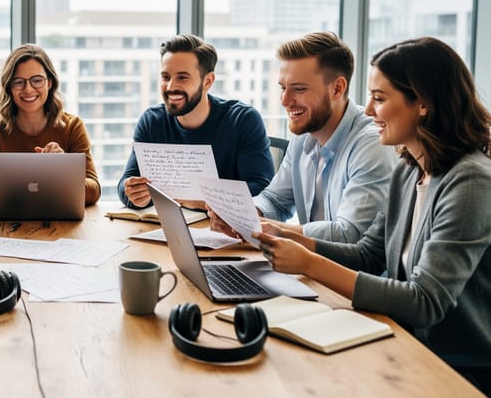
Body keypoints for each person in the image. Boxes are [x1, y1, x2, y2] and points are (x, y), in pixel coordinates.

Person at [254, 37, 491, 393]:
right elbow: (368, 253)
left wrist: (307, 263)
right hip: (402, 342)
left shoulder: (470, 180)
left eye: (379, 99)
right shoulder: (409, 169)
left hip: (455, 367)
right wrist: (288, 237)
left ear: (422, 103)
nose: (367, 111)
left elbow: (426, 302)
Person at [210, 32, 394, 242]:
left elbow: (350, 235)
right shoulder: (303, 135)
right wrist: (243, 215)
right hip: (308, 267)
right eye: (282, 88)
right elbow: (275, 200)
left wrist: (265, 229)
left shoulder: (372, 144)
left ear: (337, 88)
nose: (285, 100)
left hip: (347, 272)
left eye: (299, 89)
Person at [118, 34, 274, 209]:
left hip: (225, 229)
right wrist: (134, 194)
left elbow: (262, 189)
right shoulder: (151, 121)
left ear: (207, 81)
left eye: (182, 77)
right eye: (165, 77)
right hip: (168, 226)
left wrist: (206, 201)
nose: (170, 87)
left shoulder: (243, 120)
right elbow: (126, 183)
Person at [0, 44, 100, 205]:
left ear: (49, 82)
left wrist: (61, 171)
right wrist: (8, 197)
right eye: (18, 82)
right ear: (9, 86)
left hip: (59, 225)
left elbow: (93, 190)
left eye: (37, 80)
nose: (28, 89)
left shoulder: (73, 127)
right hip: (4, 223)